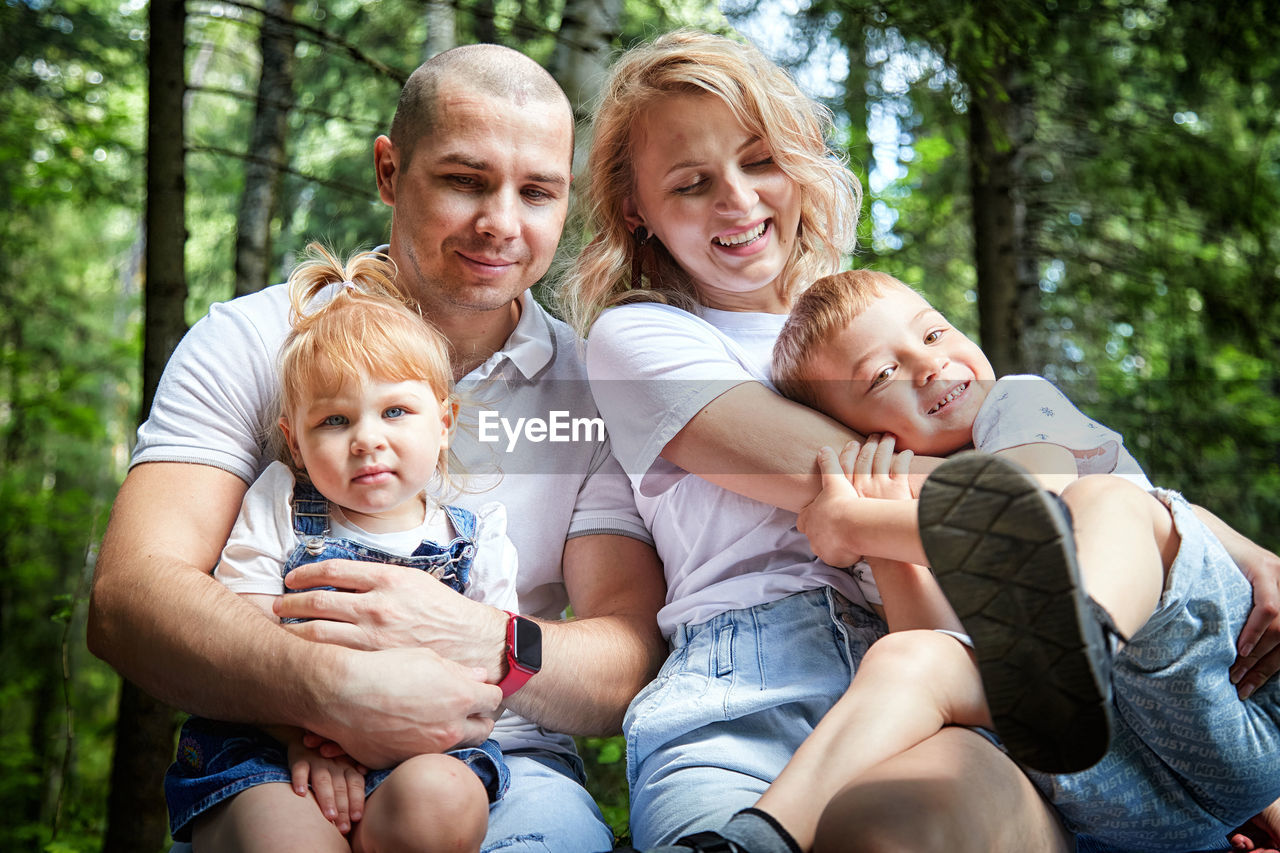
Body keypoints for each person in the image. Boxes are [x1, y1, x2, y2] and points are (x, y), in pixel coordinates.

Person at [558, 29, 1280, 853]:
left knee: (903, 827)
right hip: (748, 688)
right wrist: (1157, 515)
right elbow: (953, 493)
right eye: (692, 183)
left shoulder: (876, 327)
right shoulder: (640, 336)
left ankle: (1091, 649)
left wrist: (1213, 538)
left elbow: (1015, 488)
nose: (737, 199)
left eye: (760, 160)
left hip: (951, 665)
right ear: (634, 210)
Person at [88, 44, 667, 853]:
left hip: (500, 758)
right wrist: (330, 693)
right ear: (390, 172)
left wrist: (489, 641)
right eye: (465, 180)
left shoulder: (591, 386)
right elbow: (128, 597)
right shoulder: (254, 340)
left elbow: (630, 655)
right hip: (274, 750)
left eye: (537, 192)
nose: (501, 222)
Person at [760, 268, 1280, 852]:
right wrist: (880, 545)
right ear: (854, 432)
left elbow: (1031, 503)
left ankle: (1081, 645)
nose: (927, 365)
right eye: (883, 375)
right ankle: (763, 834)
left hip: (1220, 692)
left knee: (1103, 500)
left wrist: (854, 524)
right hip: (1111, 789)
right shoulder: (885, 514)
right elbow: (943, 638)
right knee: (910, 654)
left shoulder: (1015, 404)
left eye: (932, 335)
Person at [163, 244, 519, 850]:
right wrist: (306, 735)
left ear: (444, 423)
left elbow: (497, 671)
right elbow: (242, 625)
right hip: (276, 741)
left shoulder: (475, 534)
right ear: (294, 444)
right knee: (284, 835)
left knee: (447, 801)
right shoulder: (281, 502)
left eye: (396, 411)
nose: (367, 441)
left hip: (419, 746)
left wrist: (421, 727)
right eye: (334, 421)